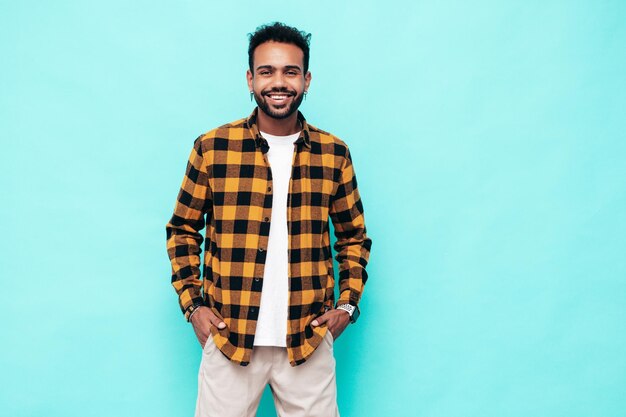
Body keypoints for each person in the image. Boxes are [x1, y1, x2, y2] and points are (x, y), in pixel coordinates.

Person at [165, 22, 372, 417]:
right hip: (230, 338)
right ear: (250, 78)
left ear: (306, 79)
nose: (279, 82)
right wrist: (194, 307)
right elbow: (182, 229)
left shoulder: (334, 153)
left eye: (291, 71)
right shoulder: (213, 148)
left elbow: (353, 238)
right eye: (267, 71)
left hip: (307, 341)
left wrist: (347, 307)